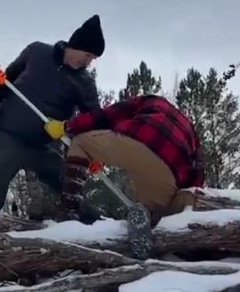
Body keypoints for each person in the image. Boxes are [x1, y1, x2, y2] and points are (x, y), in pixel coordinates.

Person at [0, 15, 105, 218]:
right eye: (88, 54)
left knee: (70, 190)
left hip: (43, 147)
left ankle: (101, 227)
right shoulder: (36, 52)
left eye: (93, 59)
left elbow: (92, 122)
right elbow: (5, 84)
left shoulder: (84, 82)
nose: (88, 62)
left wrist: (94, 153)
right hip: (7, 136)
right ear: (76, 45)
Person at [42, 94, 206, 236]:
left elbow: (105, 116)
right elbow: (196, 176)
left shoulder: (152, 101)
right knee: (156, 218)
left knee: (81, 143)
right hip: (170, 171)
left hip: (139, 138)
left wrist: (66, 126)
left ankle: (69, 211)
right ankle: (167, 232)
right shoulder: (192, 136)